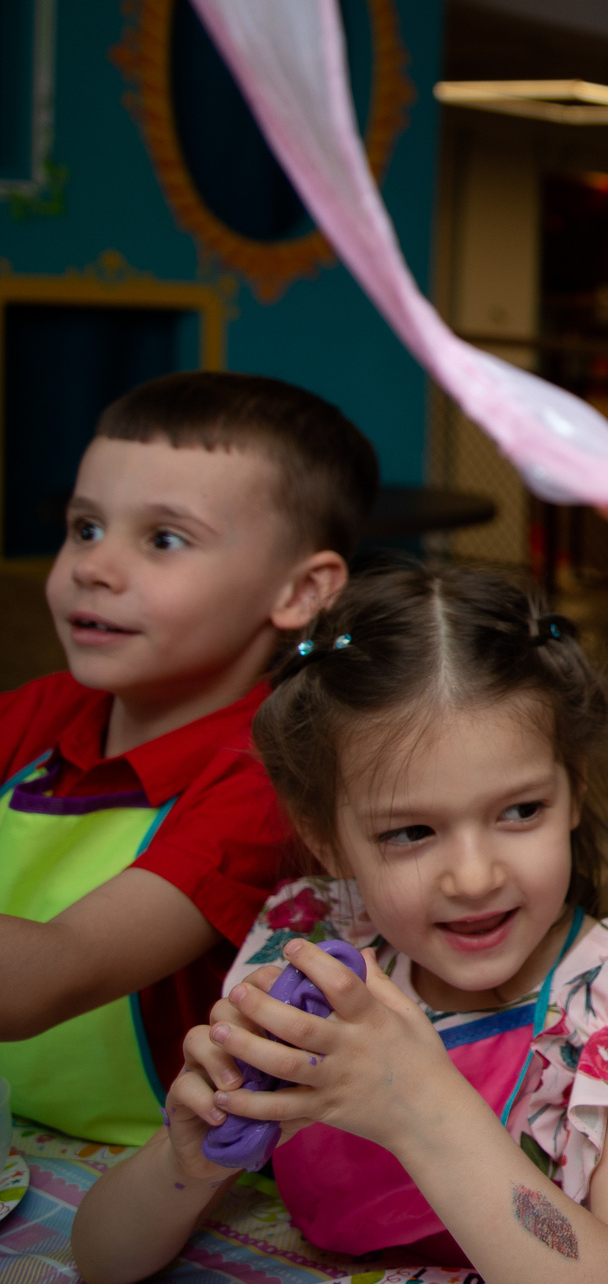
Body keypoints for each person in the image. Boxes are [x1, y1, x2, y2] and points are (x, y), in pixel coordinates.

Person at [71, 567, 608, 1284]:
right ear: (323, 836)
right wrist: (184, 1162)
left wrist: (419, 1107)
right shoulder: (315, 959)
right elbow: (99, 1260)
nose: (473, 877)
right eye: (411, 831)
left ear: (575, 789)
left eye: (520, 811)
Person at [0, 371, 371, 1145]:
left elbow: (51, 974)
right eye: (85, 528)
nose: (94, 567)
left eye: (163, 539)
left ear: (302, 590)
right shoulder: (42, 711)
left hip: (159, 1172)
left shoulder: (268, 780)